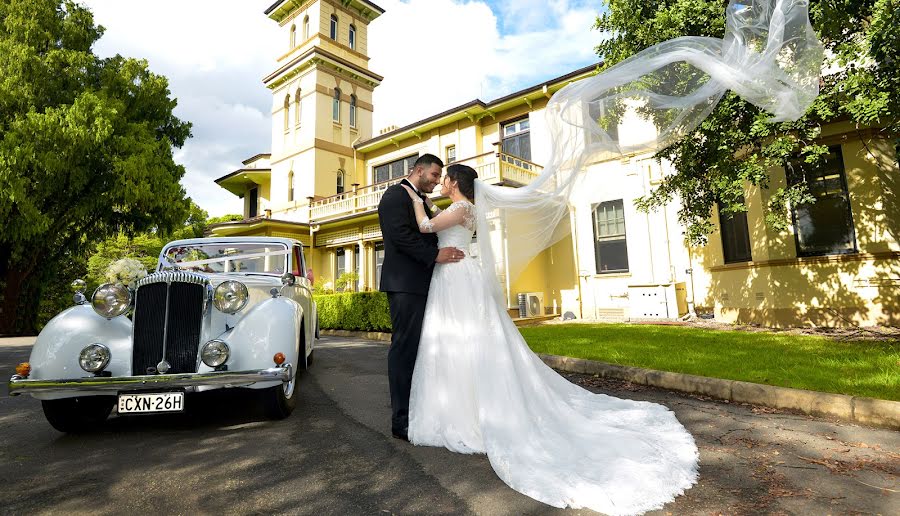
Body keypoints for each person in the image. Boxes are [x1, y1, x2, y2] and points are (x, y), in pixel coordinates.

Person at [399, 163, 699, 515]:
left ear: (452, 183)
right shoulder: (466, 209)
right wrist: (427, 202)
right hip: (460, 275)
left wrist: (412, 195)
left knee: (460, 340)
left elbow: (424, 225)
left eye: (444, 177)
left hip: (454, 278)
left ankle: (464, 411)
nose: (440, 182)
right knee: (464, 340)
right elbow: (441, 216)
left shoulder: (460, 209)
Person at [377, 153, 465, 442]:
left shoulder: (422, 200)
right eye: (434, 175)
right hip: (406, 284)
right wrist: (434, 254)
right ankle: (400, 421)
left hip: (429, 283)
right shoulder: (394, 196)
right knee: (404, 349)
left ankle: (423, 410)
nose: (437, 181)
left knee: (425, 350)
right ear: (418, 170)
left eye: (440, 177)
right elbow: (400, 236)